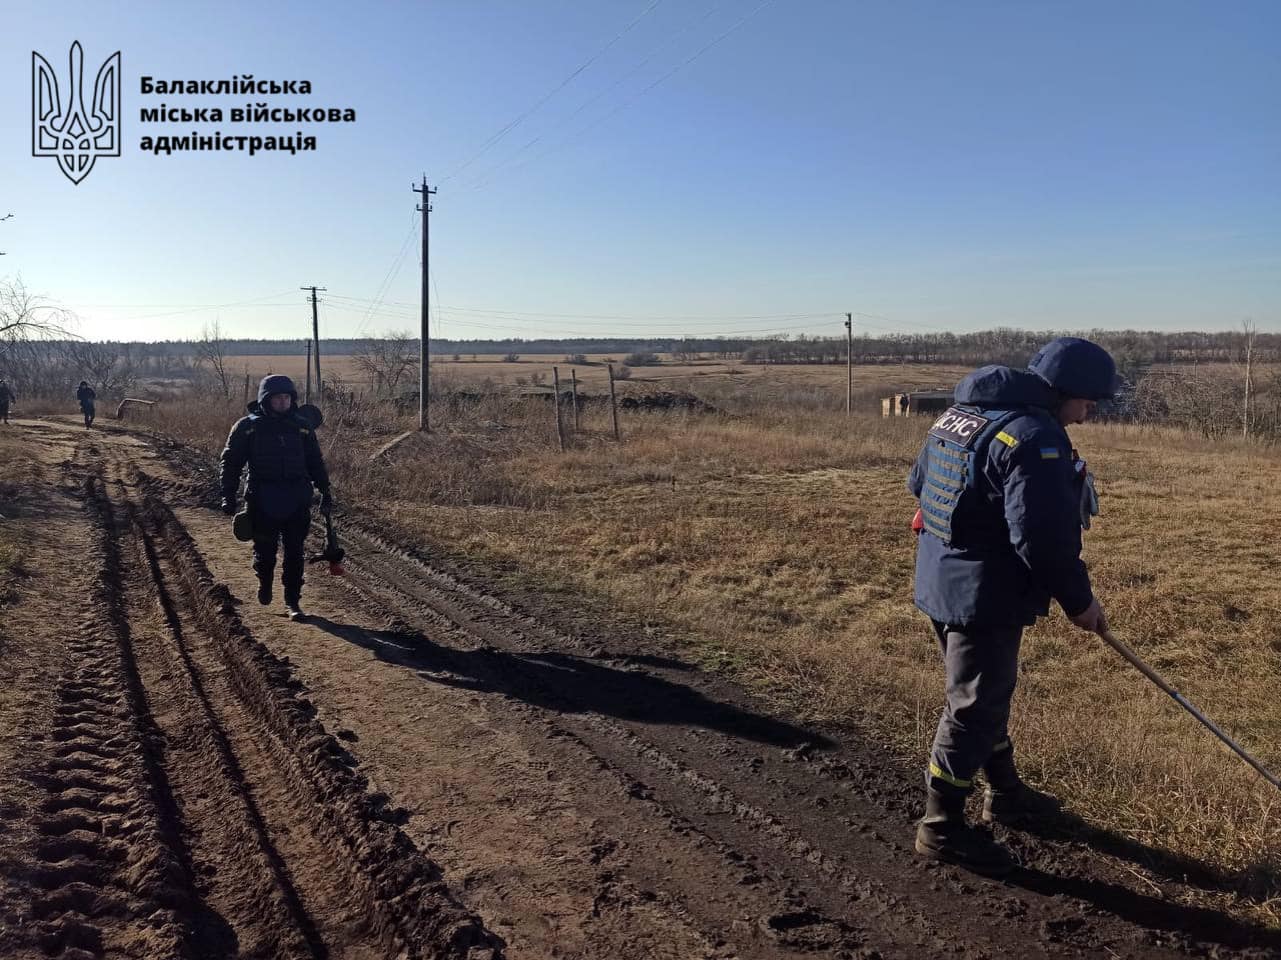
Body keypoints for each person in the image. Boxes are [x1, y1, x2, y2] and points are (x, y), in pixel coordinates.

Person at [906, 336, 1117, 876]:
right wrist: (1080, 601)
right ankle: (941, 826)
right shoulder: (1035, 437)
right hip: (983, 595)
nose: (1089, 414)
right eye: (1089, 402)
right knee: (974, 706)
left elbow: (918, 484)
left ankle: (1005, 793)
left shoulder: (962, 415)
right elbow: (1042, 540)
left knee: (984, 696)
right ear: (1066, 391)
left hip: (941, 578)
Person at [219, 375, 332, 620]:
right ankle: (265, 582)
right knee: (265, 550)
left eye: (287, 397)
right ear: (265, 399)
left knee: (294, 552)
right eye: (277, 398)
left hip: (297, 497)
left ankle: (293, 602)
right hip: (262, 498)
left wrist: (325, 490)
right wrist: (228, 494)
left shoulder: (302, 427)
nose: (283, 402)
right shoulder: (247, 427)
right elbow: (231, 462)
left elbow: (315, 461)